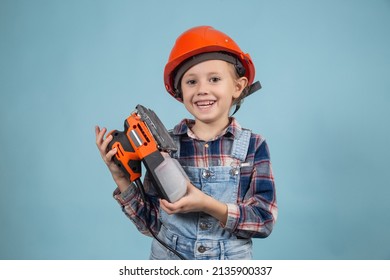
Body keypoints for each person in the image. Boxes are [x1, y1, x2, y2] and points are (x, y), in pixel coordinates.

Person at [95, 25, 277, 260]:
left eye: (214, 79)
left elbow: (263, 220)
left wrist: (209, 205)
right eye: (191, 82)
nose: (202, 90)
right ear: (179, 91)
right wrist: (122, 178)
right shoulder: (162, 147)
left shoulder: (253, 146)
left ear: (238, 86)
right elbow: (150, 224)